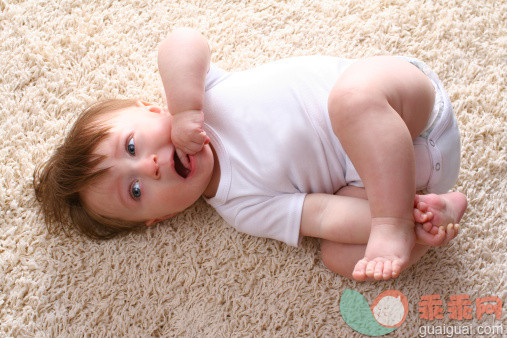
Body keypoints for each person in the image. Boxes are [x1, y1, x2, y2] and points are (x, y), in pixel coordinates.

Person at [34, 29, 467, 281]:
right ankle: (424, 220)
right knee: (336, 256)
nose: (147, 166)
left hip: (405, 104)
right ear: (158, 218)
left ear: (151, 109)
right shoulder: (241, 208)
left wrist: (185, 107)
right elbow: (325, 215)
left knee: (351, 101)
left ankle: (393, 225)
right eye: (135, 189)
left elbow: (181, 41)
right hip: (408, 176)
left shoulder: (204, 96)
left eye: (132, 146)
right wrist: (393, 216)